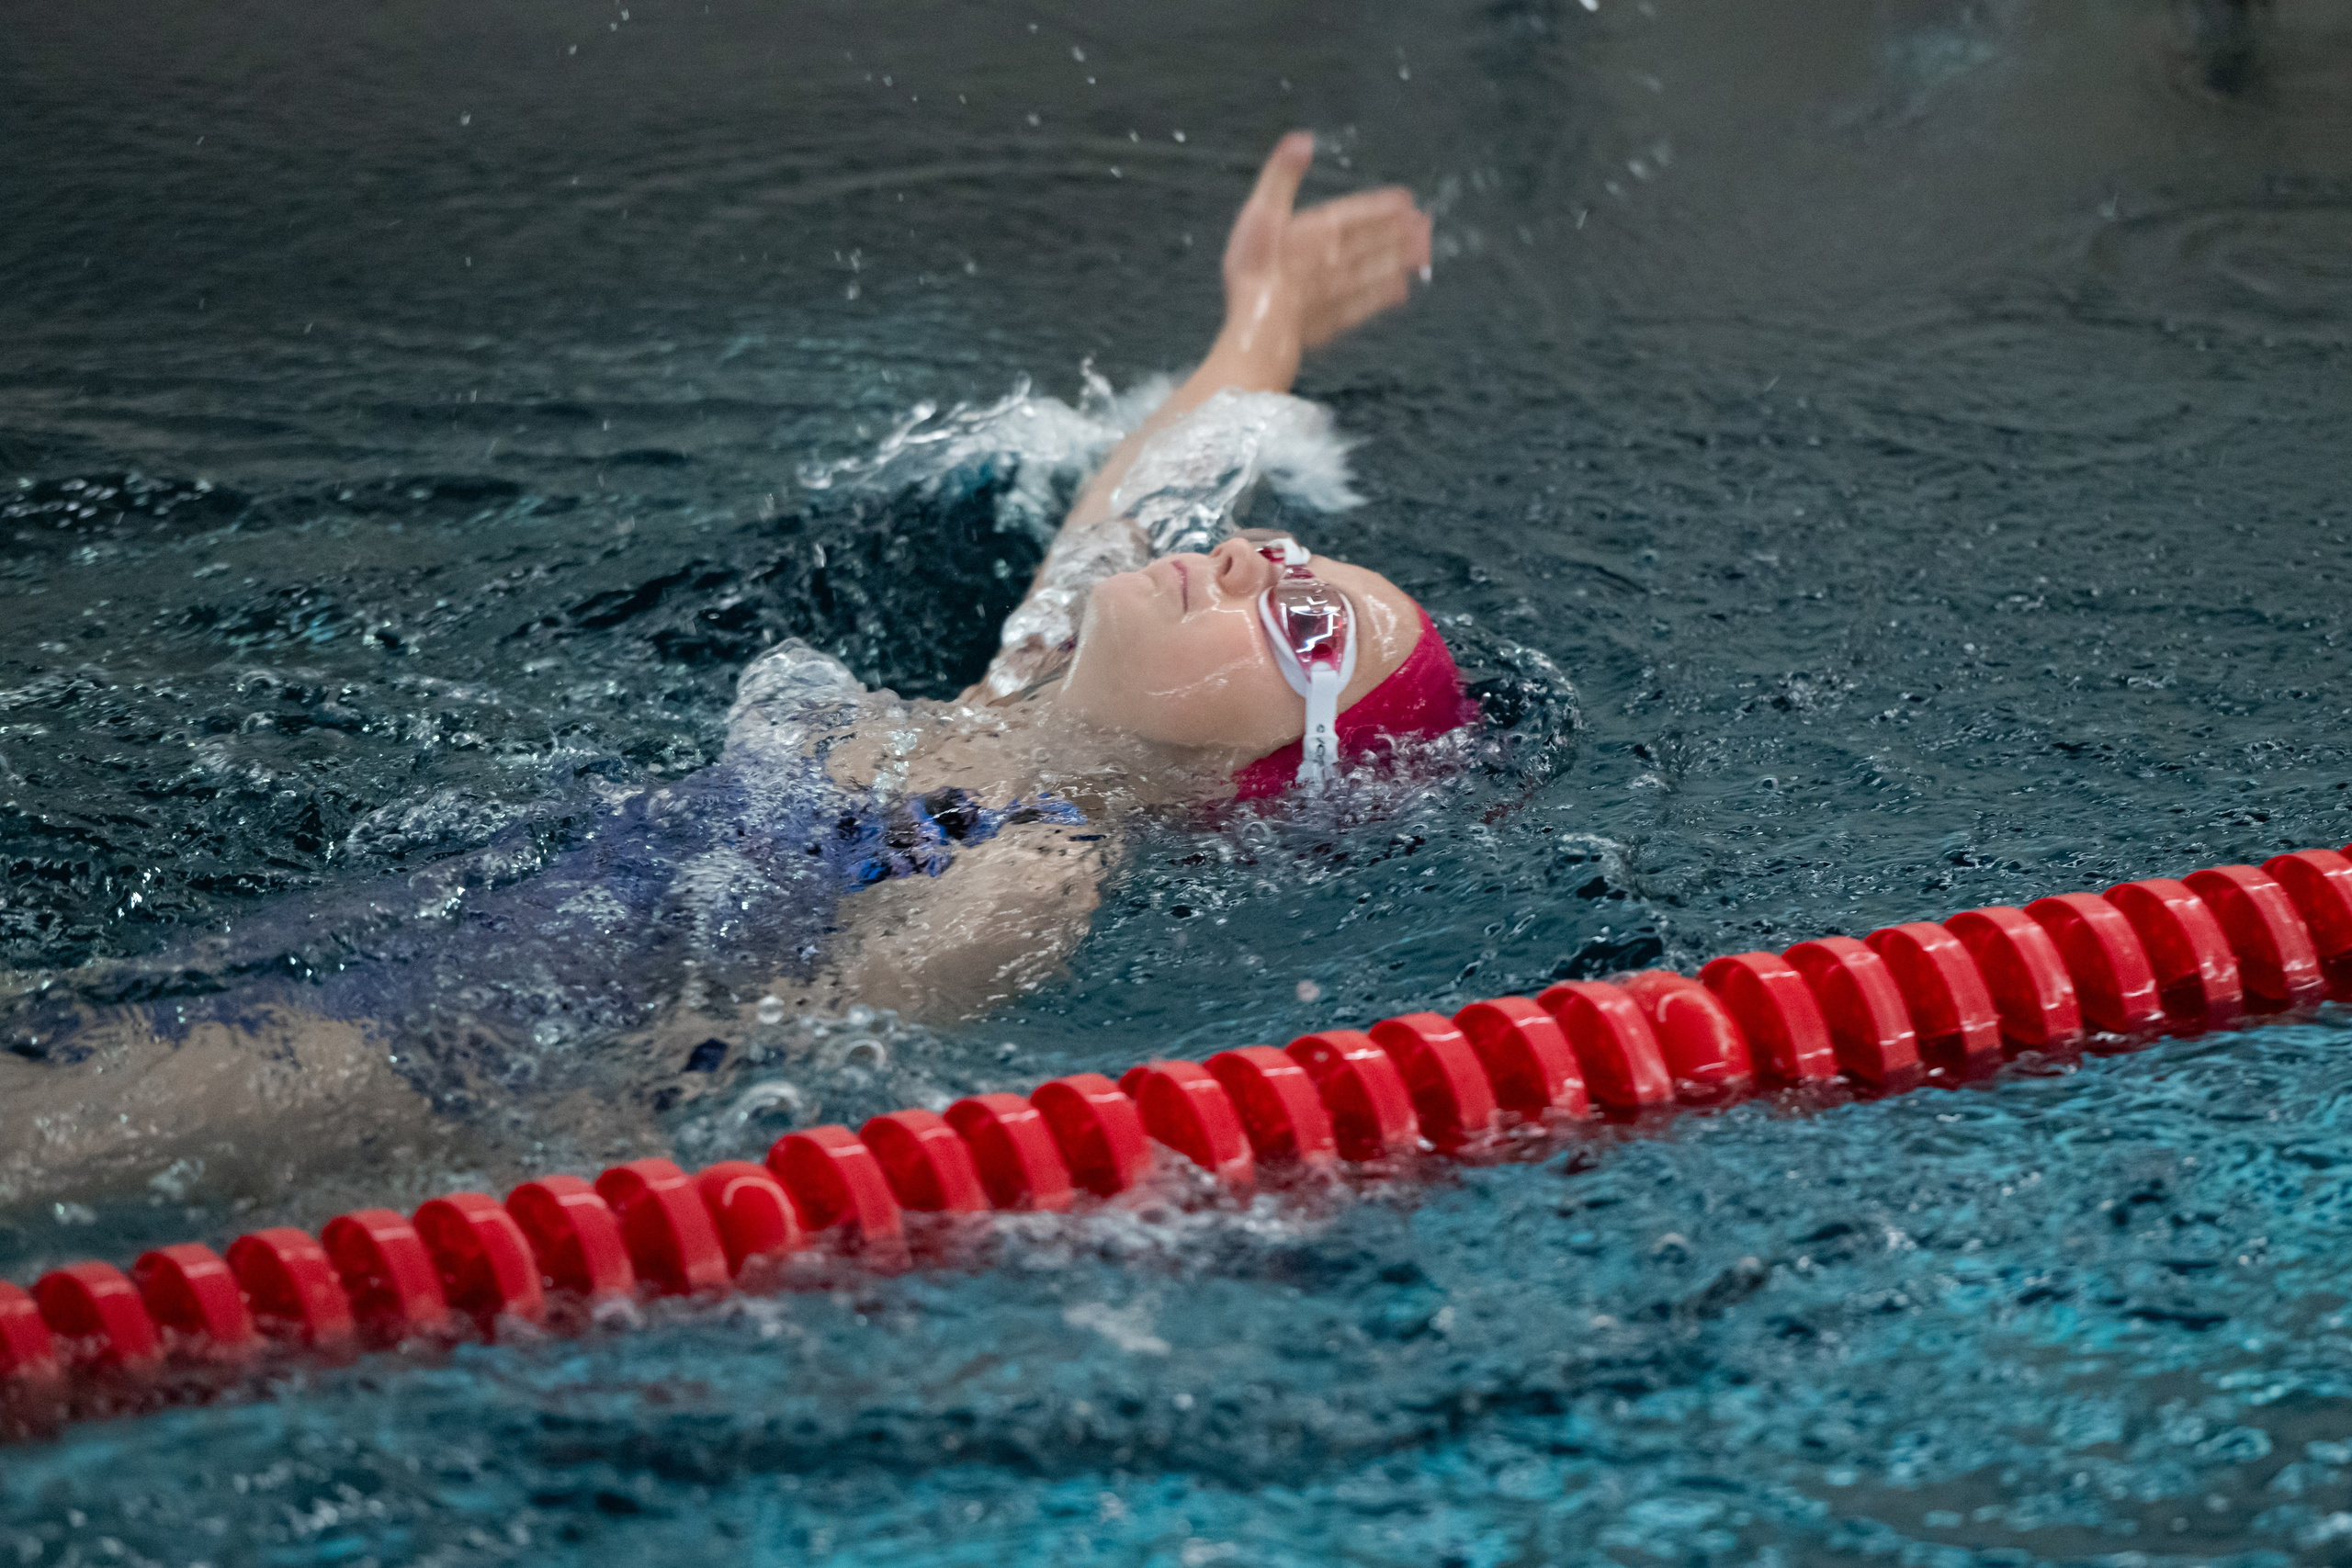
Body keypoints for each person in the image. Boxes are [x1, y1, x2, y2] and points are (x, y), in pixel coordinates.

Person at [0, 132, 1468, 1207]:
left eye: (1305, 624)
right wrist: (1263, 317)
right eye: (1280, 549)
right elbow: (1141, 493)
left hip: (438, 1064)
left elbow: (777, 1076)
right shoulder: (1018, 694)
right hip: (425, 929)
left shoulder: (1028, 876)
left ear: (1249, 788)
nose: (1245, 558)